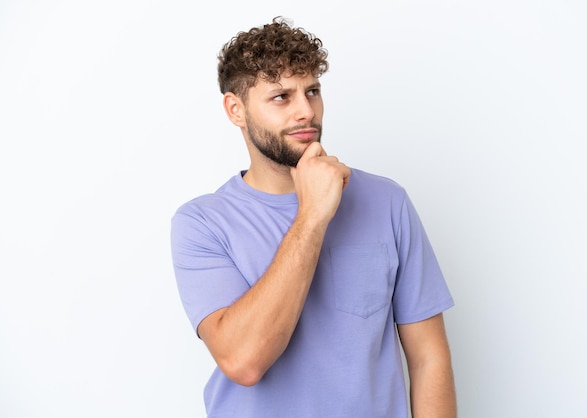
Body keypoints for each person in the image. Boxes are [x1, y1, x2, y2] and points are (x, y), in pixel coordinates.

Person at [170, 17, 456, 418]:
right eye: (281, 97)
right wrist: (312, 216)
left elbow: (429, 358)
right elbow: (243, 361)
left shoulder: (386, 201)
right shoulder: (202, 223)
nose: (306, 112)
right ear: (236, 109)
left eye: (313, 91)